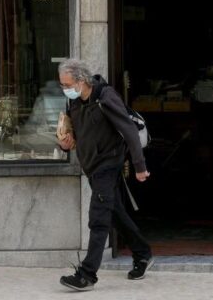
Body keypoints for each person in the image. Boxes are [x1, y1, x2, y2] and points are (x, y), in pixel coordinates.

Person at [57, 58, 153, 292]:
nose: (64, 89)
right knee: (115, 213)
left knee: (98, 217)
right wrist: (65, 145)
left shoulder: (105, 97)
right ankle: (142, 253)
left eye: (67, 84)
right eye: (62, 85)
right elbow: (73, 134)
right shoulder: (75, 103)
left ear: (81, 80)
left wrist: (140, 166)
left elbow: (128, 130)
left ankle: (87, 274)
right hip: (91, 167)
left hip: (108, 165)